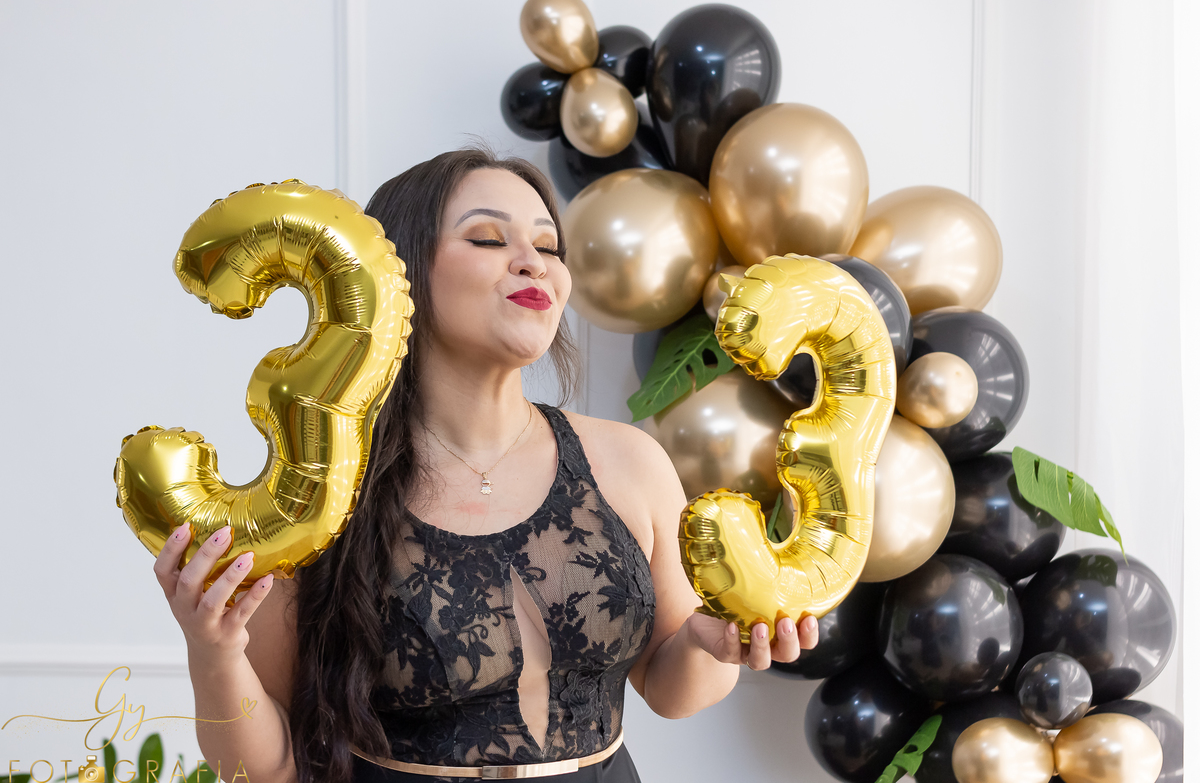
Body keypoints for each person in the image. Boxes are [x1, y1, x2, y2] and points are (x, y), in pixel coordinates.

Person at [154, 146, 819, 783]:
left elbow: (674, 692)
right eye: (488, 239)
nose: (534, 263)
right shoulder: (319, 491)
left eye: (548, 246)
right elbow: (266, 770)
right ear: (401, 273)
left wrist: (711, 643)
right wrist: (213, 650)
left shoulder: (629, 463)